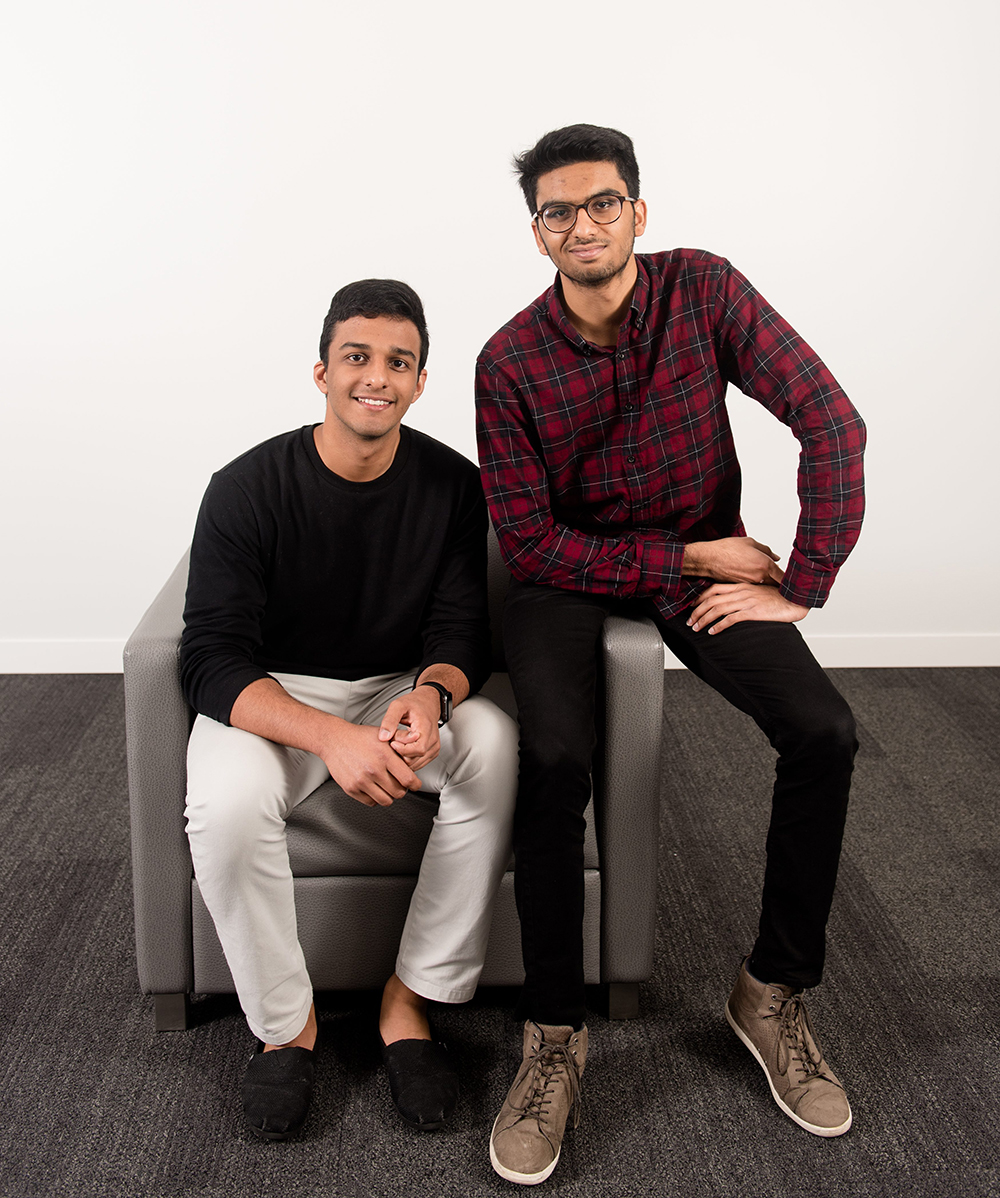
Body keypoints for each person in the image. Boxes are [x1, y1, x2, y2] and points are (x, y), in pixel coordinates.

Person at [475, 125, 866, 1185]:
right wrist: (691, 549)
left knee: (823, 731)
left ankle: (771, 992)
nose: (583, 225)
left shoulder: (704, 289)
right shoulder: (507, 360)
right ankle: (554, 1033)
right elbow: (532, 540)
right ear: (536, 233)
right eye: (559, 211)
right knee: (554, 761)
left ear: (636, 213)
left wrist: (803, 583)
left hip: (701, 577)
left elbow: (831, 420)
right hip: (571, 576)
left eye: (603, 203)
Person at [180, 278, 518, 1140]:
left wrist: (431, 694)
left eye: (397, 362)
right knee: (222, 803)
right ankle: (285, 1028)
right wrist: (331, 738)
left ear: (419, 381)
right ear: (322, 371)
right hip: (279, 701)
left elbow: (460, 628)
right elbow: (210, 658)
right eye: (358, 357)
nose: (377, 376)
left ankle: (410, 1000)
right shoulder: (246, 485)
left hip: (398, 688)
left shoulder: (452, 485)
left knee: (494, 743)